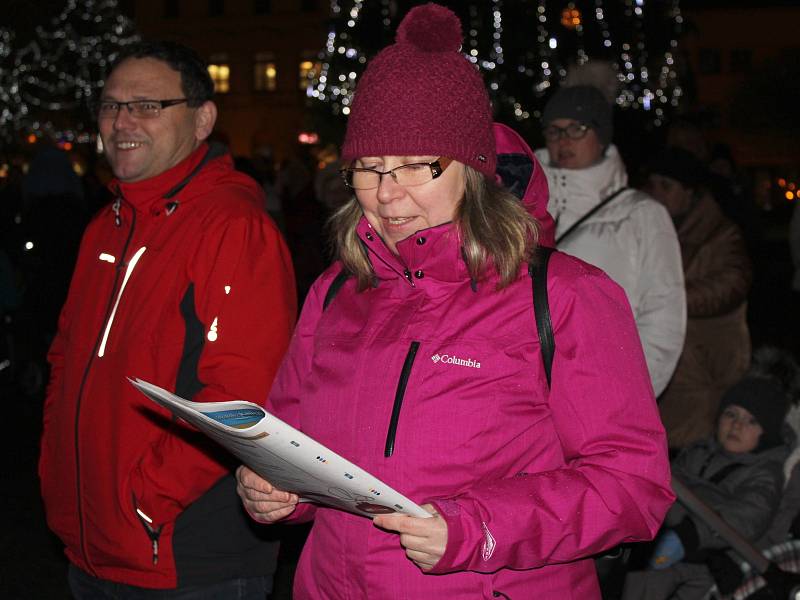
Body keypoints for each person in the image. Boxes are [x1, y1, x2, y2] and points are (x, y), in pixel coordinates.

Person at [236, 5, 674, 598]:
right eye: (368, 168)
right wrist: (276, 490)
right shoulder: (337, 289)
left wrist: (479, 528)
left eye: (417, 166)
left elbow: (632, 486)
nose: (387, 194)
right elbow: (293, 441)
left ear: (471, 169)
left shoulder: (566, 294)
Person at [38, 41, 297, 597]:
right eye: (109, 106)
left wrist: (143, 501)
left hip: (185, 559)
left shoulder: (232, 228)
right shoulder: (105, 225)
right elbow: (64, 359)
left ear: (202, 119)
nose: (121, 120)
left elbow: (239, 398)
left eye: (148, 105)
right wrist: (58, 476)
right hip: (91, 546)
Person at [534, 83, 686, 398]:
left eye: (577, 128)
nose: (563, 141)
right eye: (554, 130)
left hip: (603, 392)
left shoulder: (641, 215)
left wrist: (629, 393)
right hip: (531, 394)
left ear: (601, 136)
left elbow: (664, 314)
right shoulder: (523, 205)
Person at [621, 366, 792, 600]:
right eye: (731, 414)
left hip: (709, 551)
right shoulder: (699, 450)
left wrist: (692, 534)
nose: (737, 425)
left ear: (767, 434)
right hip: (664, 531)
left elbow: (748, 515)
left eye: (751, 421)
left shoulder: (764, 473)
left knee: (652, 580)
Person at [646, 148, 752, 450]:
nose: (656, 194)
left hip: (706, 364)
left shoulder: (720, 233)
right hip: (670, 361)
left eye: (666, 186)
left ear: (690, 193)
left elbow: (732, 283)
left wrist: (667, 300)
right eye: (652, 185)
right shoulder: (651, 227)